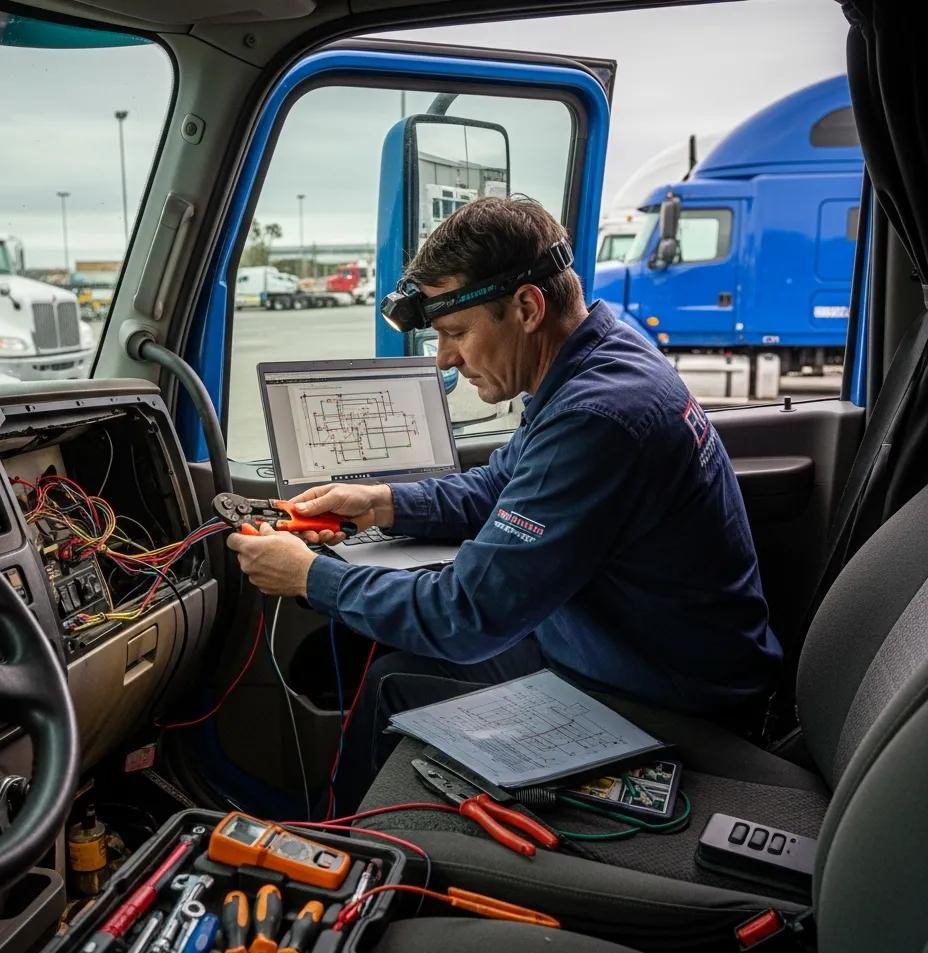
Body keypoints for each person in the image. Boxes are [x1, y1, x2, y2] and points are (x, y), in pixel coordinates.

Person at [229, 196, 782, 811]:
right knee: (401, 654)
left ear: (526, 307)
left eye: (456, 333)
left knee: (391, 683)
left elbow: (465, 616)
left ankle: (347, 863)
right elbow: (499, 486)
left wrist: (309, 576)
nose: (443, 358)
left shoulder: (597, 417)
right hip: (639, 652)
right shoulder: (600, 359)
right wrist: (381, 502)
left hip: (664, 694)